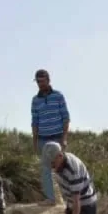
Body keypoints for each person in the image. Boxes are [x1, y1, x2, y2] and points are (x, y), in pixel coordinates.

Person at [31, 69, 70, 206]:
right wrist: (34, 141)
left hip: (58, 137)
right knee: (45, 168)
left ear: (48, 80)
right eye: (38, 82)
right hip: (42, 138)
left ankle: (67, 197)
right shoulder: (35, 100)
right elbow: (35, 122)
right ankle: (51, 198)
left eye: (42, 81)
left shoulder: (58, 96)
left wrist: (64, 138)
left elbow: (66, 118)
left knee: (62, 166)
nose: (40, 84)